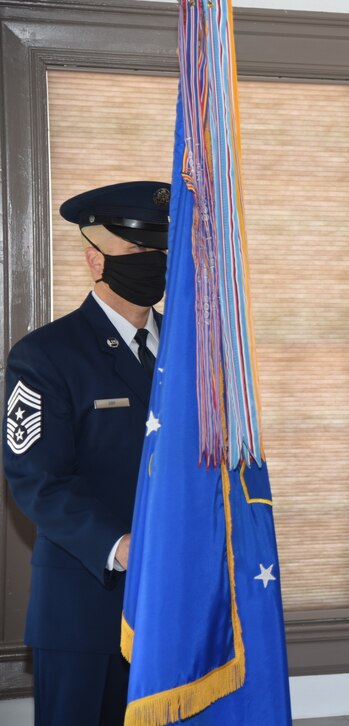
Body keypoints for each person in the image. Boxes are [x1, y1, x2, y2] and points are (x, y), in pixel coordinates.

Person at [3, 181, 170, 725]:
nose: (154, 264)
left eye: (162, 253)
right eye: (138, 252)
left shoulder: (193, 354)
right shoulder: (45, 356)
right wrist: (121, 547)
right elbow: (37, 480)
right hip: (85, 608)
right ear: (95, 259)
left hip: (176, 604)